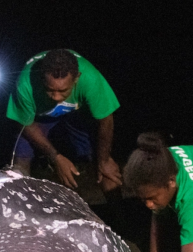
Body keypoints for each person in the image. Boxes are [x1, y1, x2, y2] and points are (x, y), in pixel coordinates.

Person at [6, 49, 122, 192]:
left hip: (77, 113)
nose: (56, 97)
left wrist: (104, 160)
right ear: (42, 78)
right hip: (38, 117)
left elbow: (106, 119)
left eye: (63, 91)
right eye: (50, 90)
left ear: (76, 78)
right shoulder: (25, 83)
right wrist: (55, 157)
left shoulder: (90, 79)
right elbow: (24, 122)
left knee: (106, 169)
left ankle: (118, 213)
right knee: (18, 169)